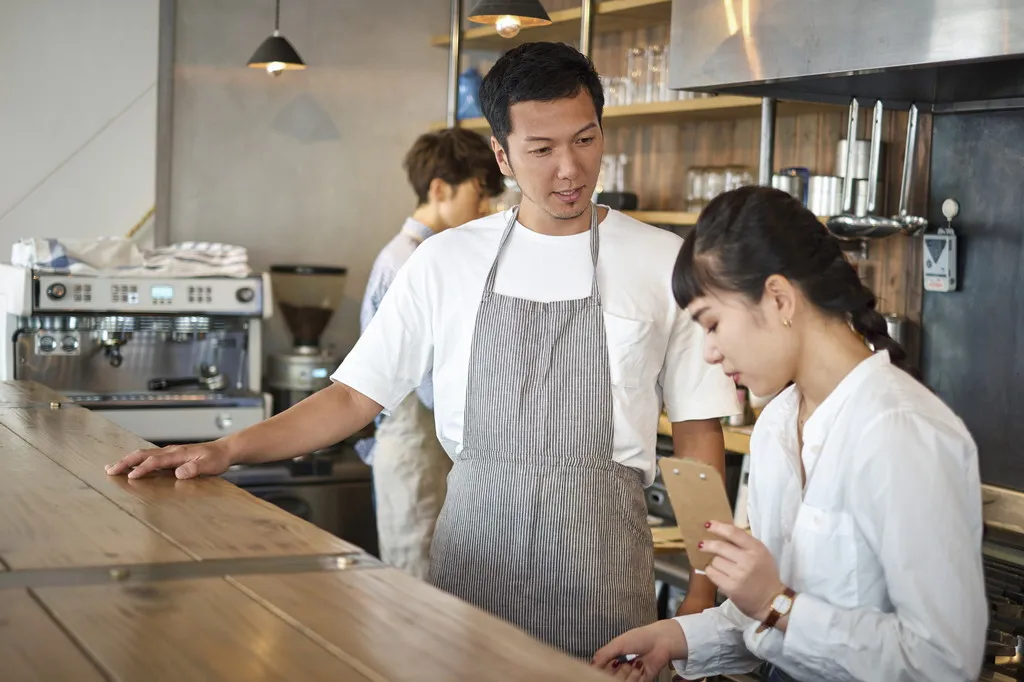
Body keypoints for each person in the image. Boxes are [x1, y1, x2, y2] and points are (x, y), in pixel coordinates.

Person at [104, 41, 739, 660]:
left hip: (607, 590)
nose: (569, 169)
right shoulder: (447, 261)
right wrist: (227, 448)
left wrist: (701, 604)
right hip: (472, 577)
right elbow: (354, 396)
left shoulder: (666, 263)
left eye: (585, 139)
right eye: (541, 149)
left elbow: (697, 438)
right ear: (503, 156)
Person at [592, 186, 987, 681]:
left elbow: (943, 663)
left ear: (779, 298)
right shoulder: (777, 426)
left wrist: (778, 604)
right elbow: (766, 616)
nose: (710, 352)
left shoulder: (902, 432)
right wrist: (674, 639)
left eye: (712, 325)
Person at [356, 127, 504, 579]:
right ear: (440, 189)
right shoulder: (409, 261)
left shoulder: (429, 255)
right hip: (414, 449)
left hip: (427, 448)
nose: (486, 209)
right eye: (480, 194)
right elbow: (432, 389)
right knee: (414, 598)